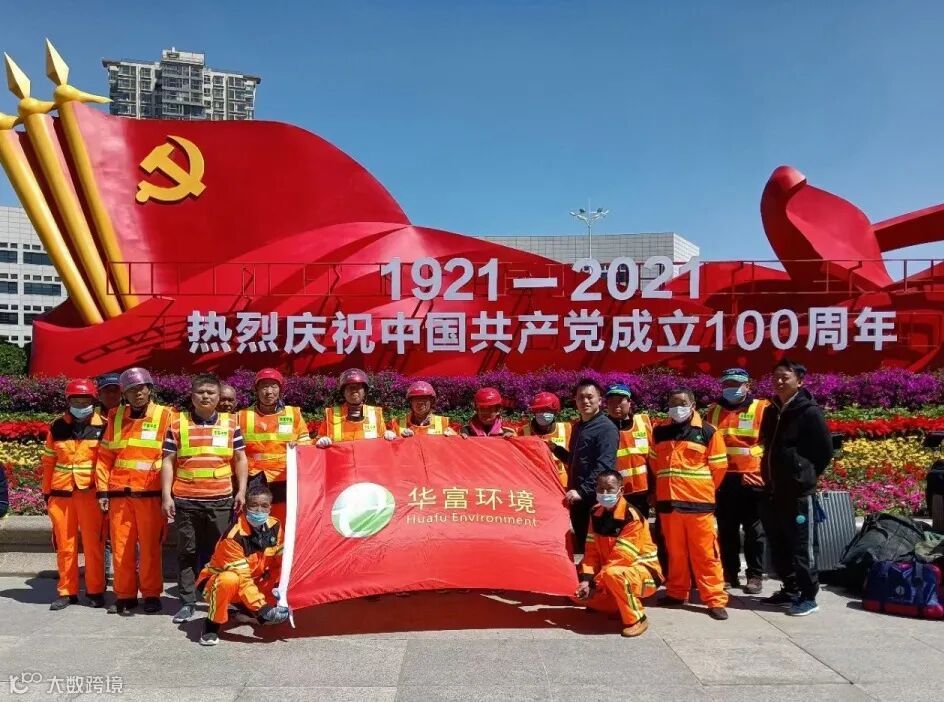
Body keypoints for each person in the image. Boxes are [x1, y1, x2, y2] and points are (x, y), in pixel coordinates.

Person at [162, 373, 248, 624]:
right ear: (192, 397)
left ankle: (217, 598)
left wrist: (241, 490)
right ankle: (188, 602)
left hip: (220, 499)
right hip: (186, 500)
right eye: (201, 392)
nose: (206, 396)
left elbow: (240, 459)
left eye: (211, 392)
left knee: (220, 552)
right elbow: (167, 461)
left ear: (219, 397)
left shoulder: (231, 424)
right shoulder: (177, 424)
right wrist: (166, 496)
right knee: (187, 551)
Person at [95, 367, 174, 615]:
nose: (137, 394)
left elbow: (173, 456)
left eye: (141, 388)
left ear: (150, 389)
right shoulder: (115, 416)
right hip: (120, 494)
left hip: (150, 494)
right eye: (131, 390)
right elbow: (104, 457)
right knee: (121, 547)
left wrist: (167, 493)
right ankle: (125, 595)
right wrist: (102, 491)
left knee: (150, 548)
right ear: (124, 394)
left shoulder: (167, 415)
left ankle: (151, 594)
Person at [760, 359, 833, 617]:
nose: (779, 381)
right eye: (776, 377)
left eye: (785, 377)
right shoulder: (771, 411)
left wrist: (804, 474)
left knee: (802, 545)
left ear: (800, 381)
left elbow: (824, 450)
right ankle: (790, 589)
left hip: (799, 493)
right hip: (773, 490)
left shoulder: (809, 411)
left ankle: (808, 596)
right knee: (779, 543)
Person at [650, 388, 729, 619]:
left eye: (682, 403)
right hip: (669, 504)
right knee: (675, 553)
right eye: (673, 403)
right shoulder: (659, 431)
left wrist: (700, 490)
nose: (677, 408)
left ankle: (714, 599)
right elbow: (655, 464)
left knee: (706, 554)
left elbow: (719, 468)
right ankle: (676, 593)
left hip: (698, 505)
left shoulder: (707, 431)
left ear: (693, 405)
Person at [195, 483, 289, 646]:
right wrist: (262, 608)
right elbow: (243, 579)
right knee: (229, 579)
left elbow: (283, 561)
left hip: (255, 581)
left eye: (264, 506)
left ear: (270, 508)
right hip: (218, 584)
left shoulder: (275, 526)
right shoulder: (234, 537)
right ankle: (211, 625)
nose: (259, 510)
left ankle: (244, 610)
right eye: (254, 505)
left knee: (269, 619)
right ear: (245, 508)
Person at [41, 379, 107, 610]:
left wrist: (104, 492)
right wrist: (46, 492)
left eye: (85, 400)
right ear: (68, 401)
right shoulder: (57, 426)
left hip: (90, 493)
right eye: (76, 401)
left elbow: (106, 463)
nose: (81, 405)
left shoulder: (104, 426)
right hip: (61, 494)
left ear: (93, 401)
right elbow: (49, 461)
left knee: (93, 545)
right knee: (64, 545)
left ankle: (95, 590)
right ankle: (67, 591)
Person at [575, 469, 663, 637]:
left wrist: (594, 584)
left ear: (620, 491)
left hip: (643, 574)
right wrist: (586, 579)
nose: (604, 493)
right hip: (610, 571)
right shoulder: (595, 512)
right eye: (600, 489)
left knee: (613, 574)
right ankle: (615, 604)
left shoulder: (631, 517)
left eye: (609, 489)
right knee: (574, 588)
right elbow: (591, 552)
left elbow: (621, 558)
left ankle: (637, 618)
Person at [705, 368, 769, 594]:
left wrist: (756, 460)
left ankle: (755, 576)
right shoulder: (713, 411)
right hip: (723, 478)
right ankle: (729, 574)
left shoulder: (762, 408)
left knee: (754, 531)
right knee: (726, 529)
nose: (731, 388)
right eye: (727, 384)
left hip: (752, 477)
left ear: (747, 386)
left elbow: (771, 441)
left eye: (736, 384)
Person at [550, 378, 618, 561]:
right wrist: (555, 449)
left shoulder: (606, 428)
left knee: (598, 548)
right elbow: (576, 461)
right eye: (581, 397)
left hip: (595, 500)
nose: (585, 401)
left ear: (600, 400)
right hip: (579, 501)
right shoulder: (578, 427)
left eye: (590, 397)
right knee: (583, 547)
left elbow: (604, 466)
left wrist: (582, 491)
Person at [239, 368, 310, 523]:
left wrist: (299, 444)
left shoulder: (293, 414)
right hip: (254, 476)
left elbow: (305, 440)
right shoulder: (242, 416)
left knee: (283, 516)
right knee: (255, 517)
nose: (269, 391)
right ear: (257, 390)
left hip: (284, 475)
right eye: (264, 386)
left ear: (280, 389)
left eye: (273, 386)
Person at [604, 383, 653, 517]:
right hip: (612, 494)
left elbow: (654, 459)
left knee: (639, 527)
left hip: (641, 494)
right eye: (611, 401)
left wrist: (653, 490)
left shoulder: (644, 423)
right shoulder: (602, 427)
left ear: (629, 402)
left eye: (620, 400)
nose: (616, 405)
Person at [315, 369, 396, 447]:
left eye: (358, 387)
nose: (354, 391)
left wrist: (387, 435)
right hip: (340, 457)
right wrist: (320, 441)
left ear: (365, 391)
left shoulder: (375, 413)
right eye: (350, 387)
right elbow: (317, 440)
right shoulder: (331, 414)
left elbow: (382, 442)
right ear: (343, 392)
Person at [95, 373, 121, 581]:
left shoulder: (129, 416)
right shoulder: (88, 418)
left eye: (115, 390)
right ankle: (101, 577)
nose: (111, 394)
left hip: (122, 484)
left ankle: (129, 577)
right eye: (107, 390)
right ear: (99, 394)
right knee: (100, 535)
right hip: (95, 484)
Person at [517, 391, 570, 487]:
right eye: (539, 410)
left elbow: (573, 460)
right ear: (534, 412)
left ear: (555, 411)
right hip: (534, 483)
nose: (543, 413)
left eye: (547, 410)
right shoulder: (523, 431)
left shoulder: (567, 429)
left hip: (561, 484)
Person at [389, 381, 456, 436]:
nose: (420, 402)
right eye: (416, 399)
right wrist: (388, 436)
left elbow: (458, 445)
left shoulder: (445, 423)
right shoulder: (396, 424)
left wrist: (454, 437)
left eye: (424, 398)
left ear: (431, 401)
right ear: (410, 402)